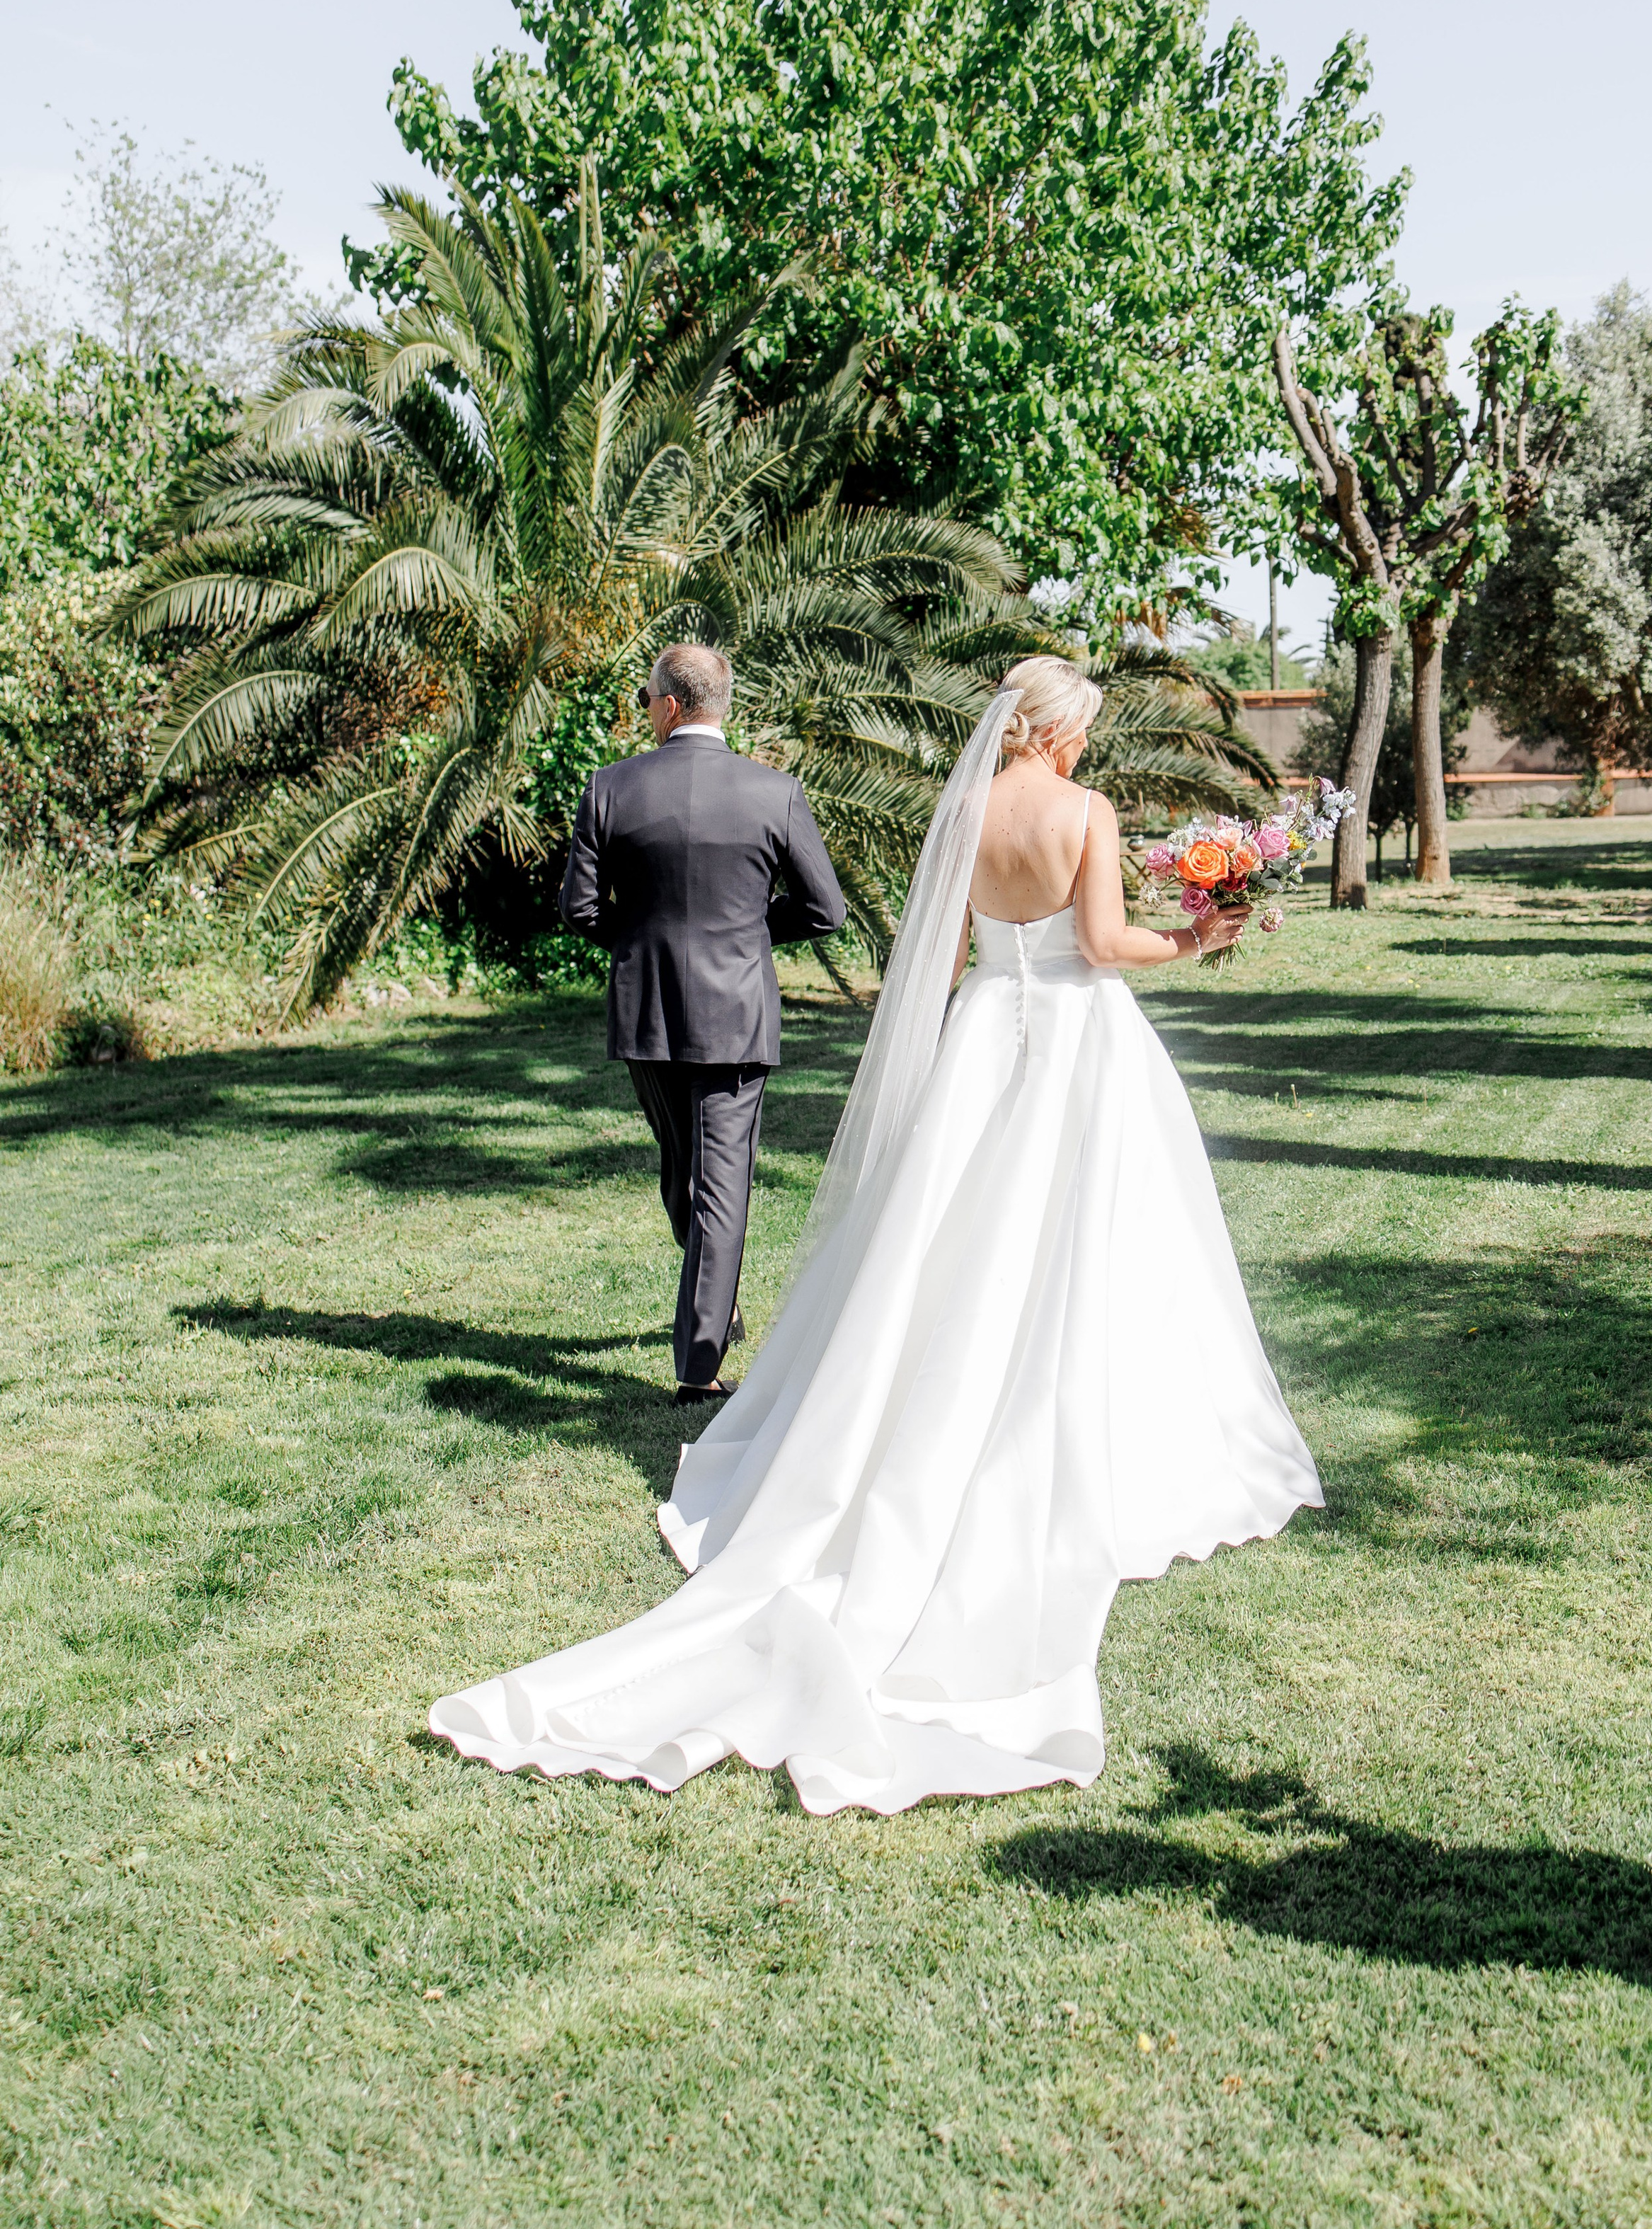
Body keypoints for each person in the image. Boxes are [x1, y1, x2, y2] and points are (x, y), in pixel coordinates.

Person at [433, 656, 1322, 1814]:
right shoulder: (1086, 813)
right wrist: (1203, 940)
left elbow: (942, 960)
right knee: (1092, 1245)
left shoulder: (964, 810)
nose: (1089, 749)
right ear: (1053, 732)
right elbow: (1103, 946)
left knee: (939, 1249)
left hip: (979, 1040)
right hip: (1071, 1048)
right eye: (1085, 730)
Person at [557, 643, 846, 1402]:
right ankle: (707, 1340)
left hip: (647, 1008)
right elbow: (826, 910)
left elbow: (580, 910)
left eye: (646, 697)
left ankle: (701, 1349)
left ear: (671, 705)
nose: (644, 707)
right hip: (736, 1011)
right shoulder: (774, 791)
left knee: (685, 1171)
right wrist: (746, 932)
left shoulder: (609, 787)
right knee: (715, 1182)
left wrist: (646, 935)